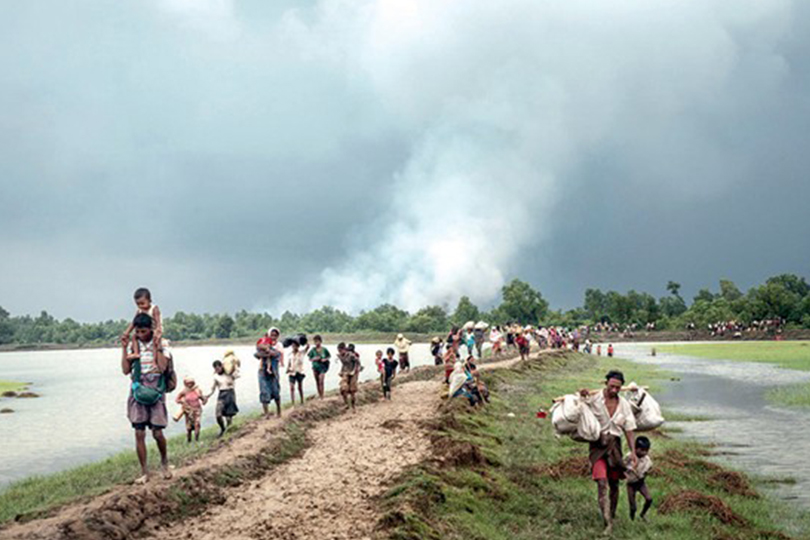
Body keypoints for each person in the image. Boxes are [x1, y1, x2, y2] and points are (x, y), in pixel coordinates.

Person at [580, 370, 637, 535]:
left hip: (615, 448)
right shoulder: (594, 399)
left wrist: (633, 452)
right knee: (602, 483)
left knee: (614, 484)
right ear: (606, 383)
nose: (614, 390)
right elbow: (580, 407)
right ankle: (607, 524)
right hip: (598, 446)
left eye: (618, 388)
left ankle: (611, 514)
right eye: (612, 386)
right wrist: (582, 395)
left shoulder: (624, 405)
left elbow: (629, 429)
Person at [121, 313, 172, 484]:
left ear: (150, 329)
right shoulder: (133, 345)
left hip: (156, 386)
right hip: (138, 387)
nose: (141, 335)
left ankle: (164, 462)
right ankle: (144, 472)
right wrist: (124, 349)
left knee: (157, 433)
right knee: (139, 432)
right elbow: (125, 370)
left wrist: (156, 346)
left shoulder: (162, 343)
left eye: (144, 331)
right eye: (138, 332)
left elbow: (163, 367)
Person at [121, 288, 163, 358]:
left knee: (155, 340)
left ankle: (154, 360)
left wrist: (158, 330)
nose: (140, 306)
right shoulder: (139, 311)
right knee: (134, 336)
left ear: (149, 301)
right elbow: (133, 323)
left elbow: (157, 321)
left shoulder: (154, 309)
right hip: (144, 329)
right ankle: (136, 352)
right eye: (138, 304)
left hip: (154, 329)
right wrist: (127, 332)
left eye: (142, 303)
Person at [625, 436, 654, 521]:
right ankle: (632, 520)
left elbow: (649, 468)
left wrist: (646, 472)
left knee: (649, 499)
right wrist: (628, 470)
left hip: (641, 482)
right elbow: (623, 466)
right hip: (631, 484)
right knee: (633, 507)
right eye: (642, 450)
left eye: (646, 451)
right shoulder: (629, 456)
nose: (644, 453)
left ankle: (643, 514)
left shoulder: (646, 459)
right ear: (636, 448)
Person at [256, 328, 283, 417]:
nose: (273, 337)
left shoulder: (278, 347)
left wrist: (267, 353)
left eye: (275, 335)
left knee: (276, 391)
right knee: (264, 391)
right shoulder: (262, 346)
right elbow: (257, 354)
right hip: (262, 372)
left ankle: (279, 411)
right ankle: (266, 413)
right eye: (272, 335)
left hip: (274, 372)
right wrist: (267, 353)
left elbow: (277, 354)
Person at [207, 360, 239, 437]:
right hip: (221, 394)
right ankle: (222, 428)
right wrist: (207, 396)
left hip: (230, 393)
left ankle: (229, 430)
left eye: (219, 368)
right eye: (216, 369)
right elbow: (213, 388)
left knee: (229, 415)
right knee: (218, 414)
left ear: (222, 366)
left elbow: (237, 375)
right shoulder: (215, 376)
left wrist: (234, 367)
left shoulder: (229, 373)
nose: (218, 370)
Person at [175, 376, 206, 443]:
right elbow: (177, 400)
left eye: (191, 383)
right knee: (189, 427)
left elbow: (202, 398)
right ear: (185, 384)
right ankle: (189, 440)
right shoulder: (184, 391)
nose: (189, 384)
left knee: (197, 424)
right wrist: (182, 402)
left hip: (197, 409)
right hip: (188, 411)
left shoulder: (197, 390)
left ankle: (196, 440)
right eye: (188, 383)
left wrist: (203, 400)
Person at [337, 342, 361, 410]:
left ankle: (353, 406)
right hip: (345, 372)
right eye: (339, 351)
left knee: (352, 390)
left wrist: (356, 370)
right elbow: (344, 364)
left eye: (341, 350)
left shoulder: (351, 355)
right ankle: (347, 404)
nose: (340, 352)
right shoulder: (340, 356)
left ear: (344, 349)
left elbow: (358, 362)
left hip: (353, 373)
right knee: (343, 388)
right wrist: (341, 371)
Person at [308, 335, 331, 399]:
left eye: (317, 341)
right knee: (317, 381)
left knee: (321, 381)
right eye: (315, 342)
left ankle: (322, 396)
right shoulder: (313, 350)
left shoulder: (324, 349)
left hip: (322, 367)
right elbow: (309, 358)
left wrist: (325, 359)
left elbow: (329, 356)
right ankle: (319, 394)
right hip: (315, 367)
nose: (316, 343)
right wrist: (314, 359)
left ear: (320, 341)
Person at [286, 339, 307, 405]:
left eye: (295, 346)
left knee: (300, 387)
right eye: (293, 346)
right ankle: (293, 403)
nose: (294, 347)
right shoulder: (290, 354)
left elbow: (307, 347)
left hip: (299, 371)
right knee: (291, 388)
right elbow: (289, 363)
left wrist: (304, 341)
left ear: (298, 346)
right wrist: (287, 369)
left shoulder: (301, 353)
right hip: (292, 372)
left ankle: (302, 401)